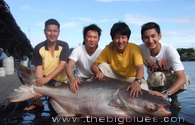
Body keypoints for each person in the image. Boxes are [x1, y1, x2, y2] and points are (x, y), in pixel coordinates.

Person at [91, 21, 149, 98]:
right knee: (103, 66)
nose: (120, 41)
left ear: (128, 38)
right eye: (117, 38)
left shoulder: (134, 48)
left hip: (132, 77)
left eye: (123, 37)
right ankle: (102, 94)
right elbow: (94, 65)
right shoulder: (109, 49)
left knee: (144, 92)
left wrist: (137, 81)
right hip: (116, 77)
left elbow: (140, 67)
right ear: (113, 39)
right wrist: (98, 72)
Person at [139, 22, 190, 108]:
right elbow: (125, 48)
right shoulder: (139, 49)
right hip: (155, 82)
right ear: (142, 39)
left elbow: (181, 78)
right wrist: (111, 45)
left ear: (160, 36)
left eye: (153, 36)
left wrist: (166, 93)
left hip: (170, 80)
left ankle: (173, 96)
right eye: (146, 37)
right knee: (158, 76)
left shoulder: (169, 50)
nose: (150, 40)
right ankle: (157, 98)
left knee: (185, 79)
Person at [23, 18, 70, 110]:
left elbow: (63, 65)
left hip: (60, 82)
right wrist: (38, 86)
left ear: (58, 32)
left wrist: (47, 78)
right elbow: (39, 68)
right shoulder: (38, 48)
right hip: (45, 80)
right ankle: (38, 102)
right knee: (36, 89)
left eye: (55, 31)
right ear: (45, 31)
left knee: (56, 107)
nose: (52, 34)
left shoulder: (64, 45)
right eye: (49, 30)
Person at [67, 24, 103, 93]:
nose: (92, 40)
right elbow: (69, 66)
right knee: (72, 90)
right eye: (89, 37)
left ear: (98, 39)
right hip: (79, 78)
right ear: (84, 38)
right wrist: (72, 79)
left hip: (95, 79)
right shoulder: (78, 50)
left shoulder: (102, 51)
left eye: (95, 37)